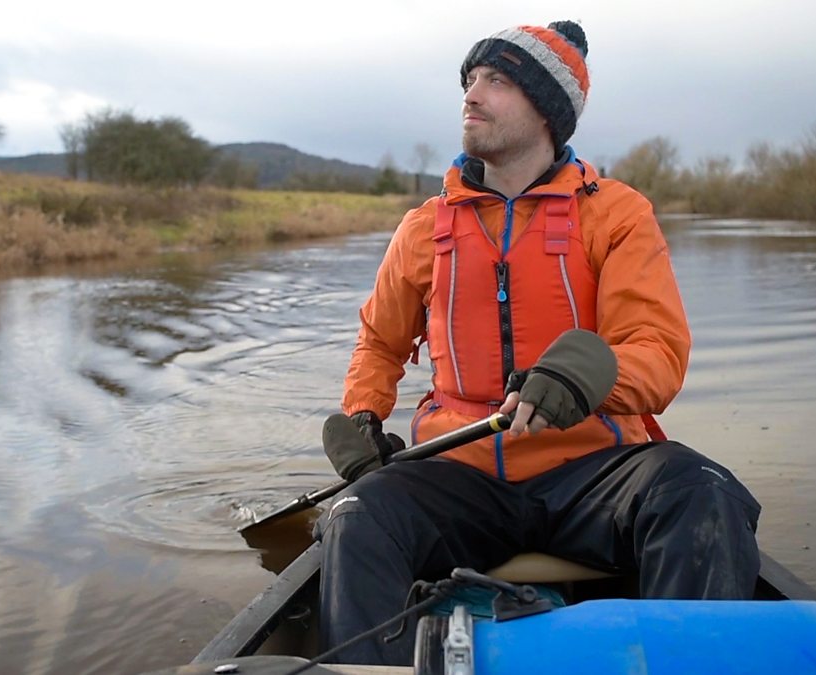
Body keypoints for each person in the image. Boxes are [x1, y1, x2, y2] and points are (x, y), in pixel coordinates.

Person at [318, 20, 762, 665]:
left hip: (593, 474)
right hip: (460, 474)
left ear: (547, 110)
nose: (472, 95)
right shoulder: (421, 229)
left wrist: (589, 379)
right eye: (469, 81)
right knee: (358, 515)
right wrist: (362, 414)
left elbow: (657, 352)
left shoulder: (615, 213)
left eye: (496, 81)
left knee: (703, 491)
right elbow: (379, 345)